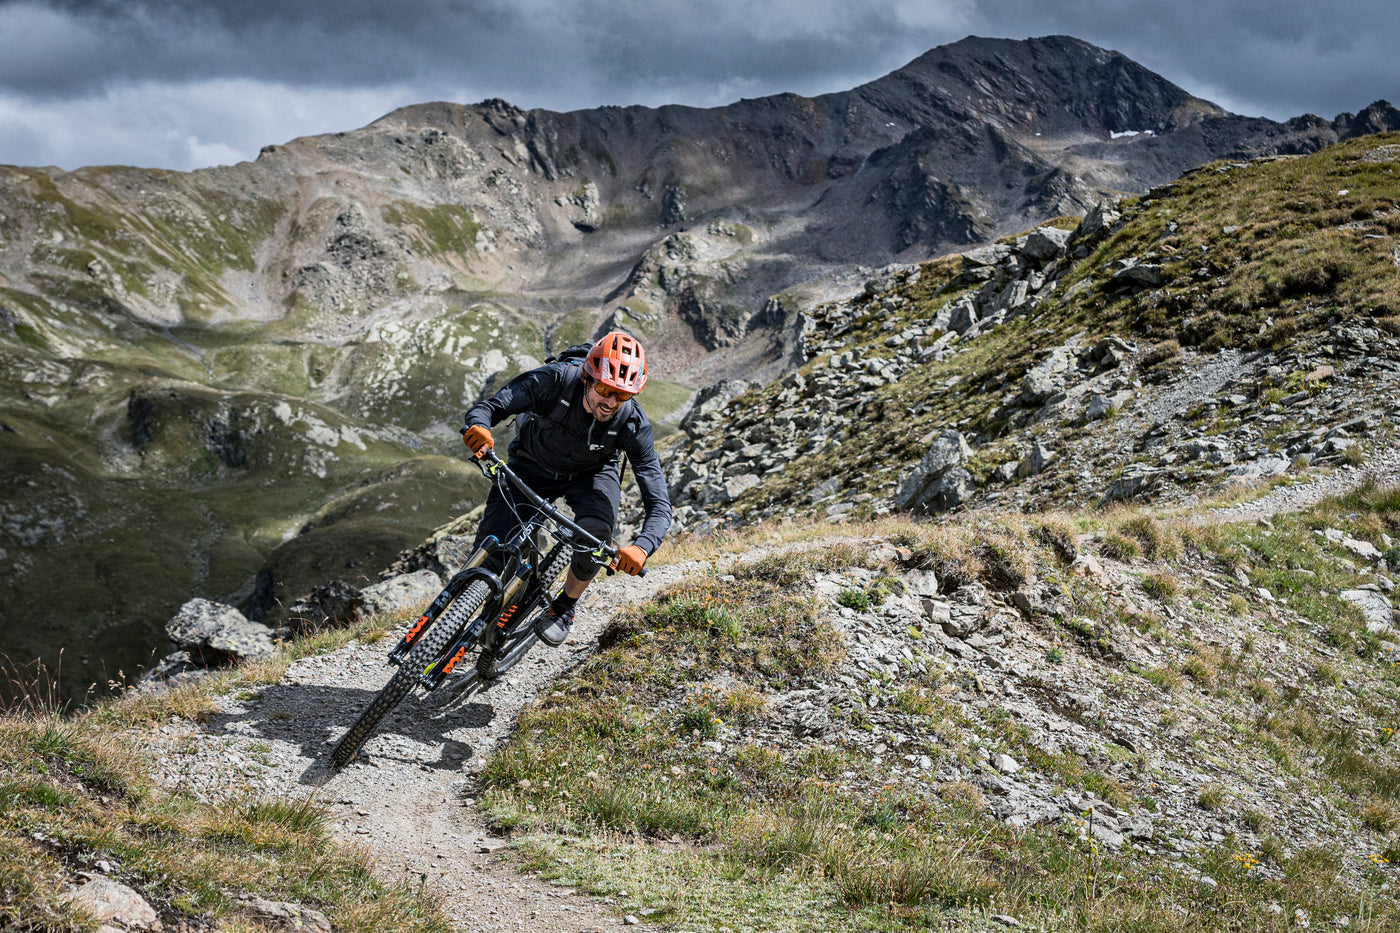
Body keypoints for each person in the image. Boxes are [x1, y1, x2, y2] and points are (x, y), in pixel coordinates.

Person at [460, 331, 672, 647]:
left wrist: (642, 547)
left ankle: (563, 606)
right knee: (492, 550)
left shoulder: (631, 422)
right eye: (604, 388)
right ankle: (462, 614)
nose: (610, 402)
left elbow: (659, 501)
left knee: (597, 533)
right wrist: (478, 427)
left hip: (591, 475)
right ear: (588, 378)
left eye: (622, 395)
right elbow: (493, 406)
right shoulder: (555, 379)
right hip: (531, 463)